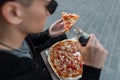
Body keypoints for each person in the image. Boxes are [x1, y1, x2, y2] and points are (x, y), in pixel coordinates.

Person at [0, 0, 108, 80]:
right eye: (50, 6)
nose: (48, 13)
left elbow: (27, 41)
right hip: (37, 65)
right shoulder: (18, 73)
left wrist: (48, 34)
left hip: (34, 57)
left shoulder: (7, 35)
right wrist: (92, 69)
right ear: (13, 12)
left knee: (61, 37)